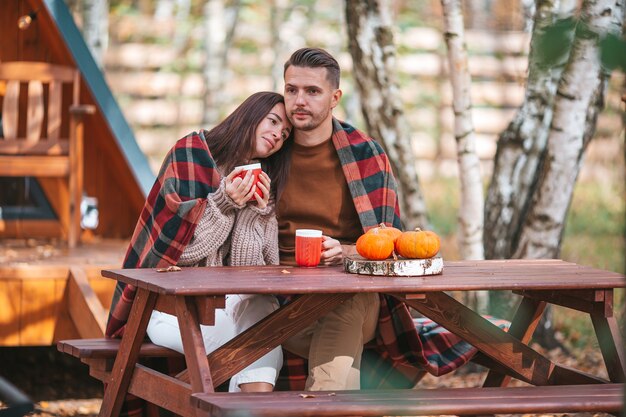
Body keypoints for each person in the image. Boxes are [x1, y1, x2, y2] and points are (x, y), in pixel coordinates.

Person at [105, 91, 292, 394]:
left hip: (231, 306)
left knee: (263, 314)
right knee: (257, 343)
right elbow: (178, 255)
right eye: (272, 121)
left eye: (284, 134)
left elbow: (253, 277)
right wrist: (223, 203)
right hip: (170, 307)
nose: (276, 135)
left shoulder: (262, 182)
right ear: (249, 114)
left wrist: (255, 213)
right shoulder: (190, 155)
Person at [276, 47, 429, 391]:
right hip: (278, 300)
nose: (299, 100)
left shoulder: (365, 154)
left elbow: (393, 243)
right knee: (337, 322)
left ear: (334, 98)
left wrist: (344, 252)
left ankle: (325, 403)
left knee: (345, 301)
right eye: (291, 90)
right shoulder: (268, 151)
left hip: (351, 290)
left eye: (312, 91)